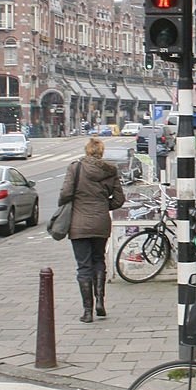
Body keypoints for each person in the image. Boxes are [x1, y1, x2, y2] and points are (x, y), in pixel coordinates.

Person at [58, 136, 125, 322]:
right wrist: (104, 206)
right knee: (98, 259)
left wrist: (67, 203)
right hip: (101, 222)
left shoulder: (76, 168)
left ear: (87, 151)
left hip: (79, 223)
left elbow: (65, 193)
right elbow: (119, 200)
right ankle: (100, 302)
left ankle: (87, 312)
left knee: (83, 266)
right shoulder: (111, 172)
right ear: (101, 152)